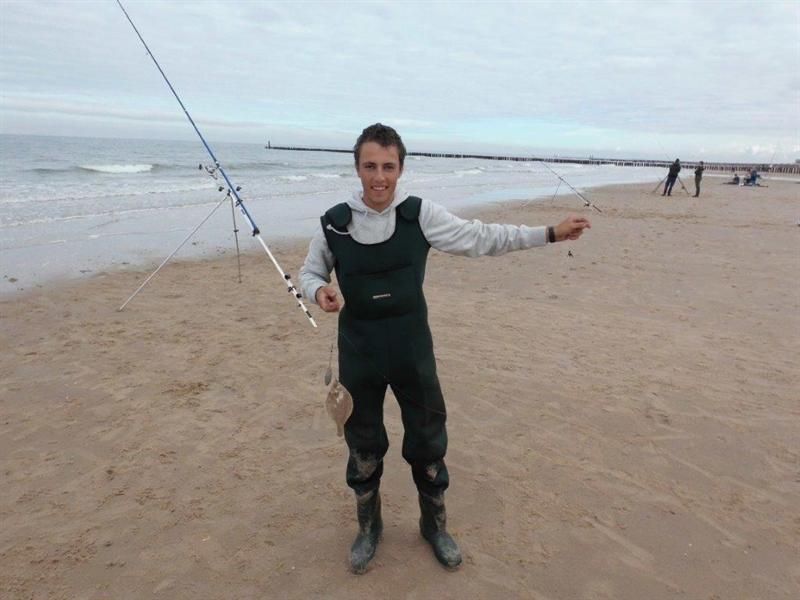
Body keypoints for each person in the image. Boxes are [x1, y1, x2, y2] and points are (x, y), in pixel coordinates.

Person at [299, 123, 591, 574]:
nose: (379, 177)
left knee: (428, 440)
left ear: (401, 168)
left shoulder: (421, 215)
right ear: (357, 168)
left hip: (412, 350)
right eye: (370, 166)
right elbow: (310, 273)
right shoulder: (334, 223)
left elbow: (482, 238)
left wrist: (548, 233)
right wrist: (319, 292)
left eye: (388, 167)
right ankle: (369, 527)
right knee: (363, 445)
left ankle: (433, 525)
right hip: (359, 353)